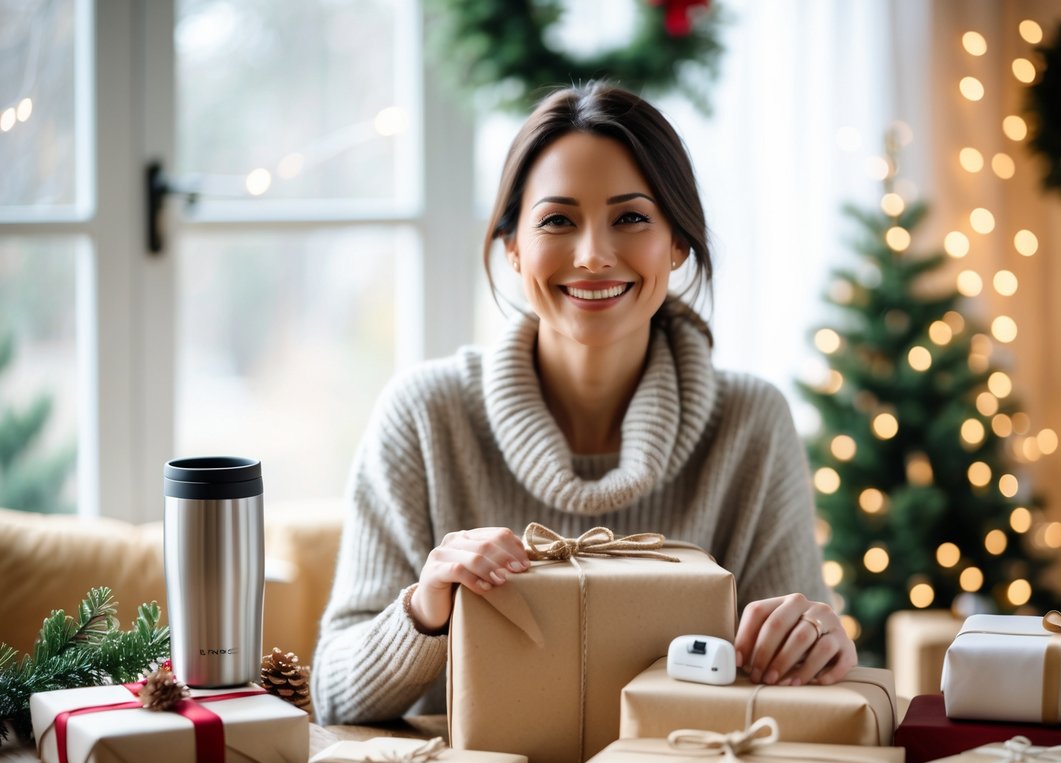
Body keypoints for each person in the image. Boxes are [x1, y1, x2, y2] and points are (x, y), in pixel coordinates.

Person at [313, 82, 856, 726]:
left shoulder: (750, 423)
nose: (594, 255)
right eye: (556, 220)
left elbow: (795, 690)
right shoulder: (425, 415)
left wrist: (813, 644)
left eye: (630, 217)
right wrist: (425, 609)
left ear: (678, 242)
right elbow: (335, 696)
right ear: (512, 246)